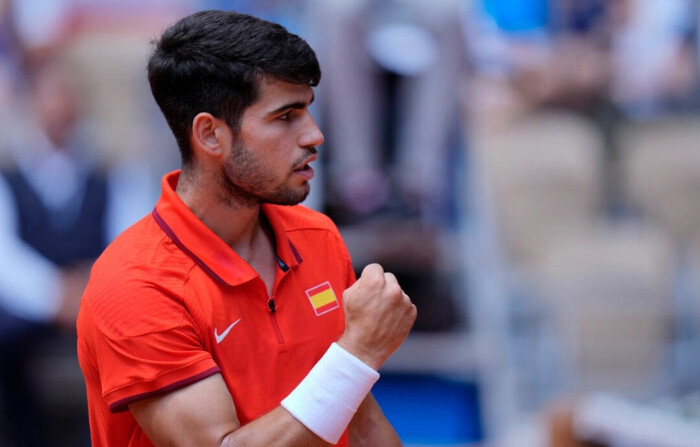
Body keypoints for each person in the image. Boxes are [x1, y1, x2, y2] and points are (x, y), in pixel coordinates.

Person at [76, 9, 417, 447]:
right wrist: (359, 352)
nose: (314, 135)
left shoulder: (318, 237)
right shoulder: (133, 284)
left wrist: (355, 360)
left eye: (308, 110)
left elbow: (359, 420)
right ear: (210, 135)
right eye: (285, 116)